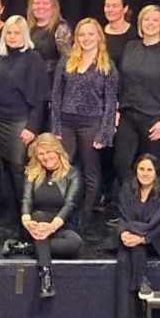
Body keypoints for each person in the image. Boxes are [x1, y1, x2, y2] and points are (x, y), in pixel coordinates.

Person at [111, 5, 160, 220]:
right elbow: (119, 81)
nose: (150, 24)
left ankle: (151, 212)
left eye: (155, 20)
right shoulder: (131, 47)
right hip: (127, 114)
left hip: (154, 119)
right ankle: (129, 207)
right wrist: (116, 108)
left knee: (151, 168)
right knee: (122, 163)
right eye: (146, 20)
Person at [50, 17, 118, 233]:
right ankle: (62, 216)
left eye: (91, 34)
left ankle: (83, 220)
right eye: (82, 34)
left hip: (92, 123)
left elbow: (111, 103)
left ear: (99, 37)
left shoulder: (107, 66)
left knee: (90, 173)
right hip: (66, 122)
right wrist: (55, 127)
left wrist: (105, 133)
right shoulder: (66, 60)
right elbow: (56, 96)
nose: (86, 38)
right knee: (64, 169)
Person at [0, 15, 48, 225]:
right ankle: (9, 210)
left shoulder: (33, 58)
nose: (12, 36)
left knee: (18, 168)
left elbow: (40, 98)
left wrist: (32, 127)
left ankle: (24, 213)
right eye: (8, 32)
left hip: (20, 121)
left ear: (24, 34)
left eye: (16, 33)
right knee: (3, 167)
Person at [3, 134, 84, 299]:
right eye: (40, 154)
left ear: (57, 151)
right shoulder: (32, 173)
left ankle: (24, 248)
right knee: (39, 215)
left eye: (48, 152)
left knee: (74, 243)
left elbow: (70, 205)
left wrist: (51, 227)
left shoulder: (72, 174)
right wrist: (27, 221)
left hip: (60, 226)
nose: (45, 157)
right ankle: (46, 273)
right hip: (35, 225)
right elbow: (26, 200)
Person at [114, 154, 160, 318]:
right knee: (124, 259)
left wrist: (142, 237)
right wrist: (124, 233)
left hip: (157, 239)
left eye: (149, 170)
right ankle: (141, 283)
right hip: (132, 240)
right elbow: (123, 216)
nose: (145, 173)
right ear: (136, 170)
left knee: (132, 249)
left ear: (156, 172)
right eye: (141, 169)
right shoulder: (127, 187)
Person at [26, 0, 73, 84]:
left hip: (51, 82)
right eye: (37, 3)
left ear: (54, 6)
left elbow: (68, 60)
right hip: (29, 82)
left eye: (45, 3)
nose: (40, 7)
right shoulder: (26, 28)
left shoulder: (61, 28)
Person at [103, 0, 134, 69]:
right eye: (107, 6)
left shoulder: (136, 34)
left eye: (115, 6)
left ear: (125, 9)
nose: (110, 10)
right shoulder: (98, 33)